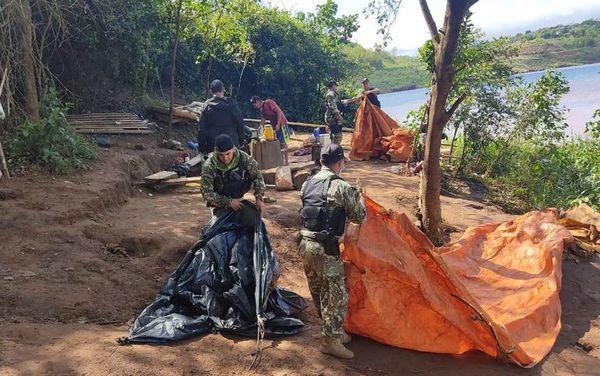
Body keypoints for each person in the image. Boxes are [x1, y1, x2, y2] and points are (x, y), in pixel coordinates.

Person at [299, 143, 366, 359]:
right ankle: (331, 341)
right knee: (336, 295)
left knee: (318, 291)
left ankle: (333, 333)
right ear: (339, 162)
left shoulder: (307, 183)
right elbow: (359, 217)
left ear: (321, 162)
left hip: (305, 245)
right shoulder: (342, 187)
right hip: (326, 249)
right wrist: (360, 198)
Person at [200, 134, 267, 226]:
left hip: (239, 199)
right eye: (221, 155)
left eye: (228, 154)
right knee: (220, 229)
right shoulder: (209, 166)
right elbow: (206, 193)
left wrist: (259, 198)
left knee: (252, 223)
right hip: (219, 204)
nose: (225, 158)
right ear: (216, 151)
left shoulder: (245, 159)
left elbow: (258, 178)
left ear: (233, 149)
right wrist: (228, 202)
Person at [197, 79, 246, 155]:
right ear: (223, 89)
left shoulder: (206, 106)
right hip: (232, 146)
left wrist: (202, 148)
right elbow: (240, 123)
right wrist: (241, 141)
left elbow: (201, 129)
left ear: (210, 91)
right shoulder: (232, 105)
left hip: (213, 147)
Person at [324, 80, 346, 145]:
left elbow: (337, 102)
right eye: (335, 85)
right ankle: (334, 152)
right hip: (332, 118)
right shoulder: (330, 95)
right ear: (333, 85)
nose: (336, 87)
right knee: (338, 136)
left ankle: (332, 151)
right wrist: (340, 117)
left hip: (333, 118)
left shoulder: (333, 94)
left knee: (333, 135)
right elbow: (333, 108)